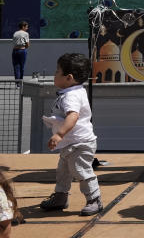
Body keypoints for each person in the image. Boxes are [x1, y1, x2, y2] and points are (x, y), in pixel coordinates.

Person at [39, 53, 102, 216]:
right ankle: (60, 197)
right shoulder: (74, 91)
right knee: (63, 172)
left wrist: (59, 134)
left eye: (57, 71)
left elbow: (72, 116)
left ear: (69, 77)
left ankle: (94, 199)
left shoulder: (71, 96)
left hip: (79, 144)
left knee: (81, 171)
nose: (54, 74)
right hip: (71, 143)